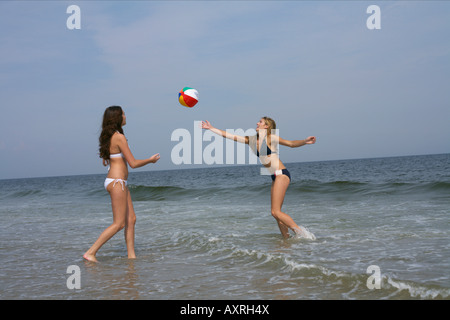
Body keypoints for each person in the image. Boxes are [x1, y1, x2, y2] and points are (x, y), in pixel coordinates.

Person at [201, 117, 316, 239]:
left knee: (275, 212)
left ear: (266, 126)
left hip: (281, 174)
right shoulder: (251, 140)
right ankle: (286, 240)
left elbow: (291, 144)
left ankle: (303, 234)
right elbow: (228, 136)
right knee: (277, 214)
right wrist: (211, 128)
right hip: (274, 176)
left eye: (260, 122)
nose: (257, 123)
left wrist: (304, 141)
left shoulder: (271, 138)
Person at [83, 106, 160, 262]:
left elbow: (108, 160)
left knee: (131, 219)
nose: (125, 116)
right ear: (117, 118)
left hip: (119, 182)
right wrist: (150, 160)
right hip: (117, 182)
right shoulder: (119, 137)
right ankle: (90, 252)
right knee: (118, 224)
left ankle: (131, 256)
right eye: (123, 114)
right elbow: (133, 163)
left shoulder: (110, 136)